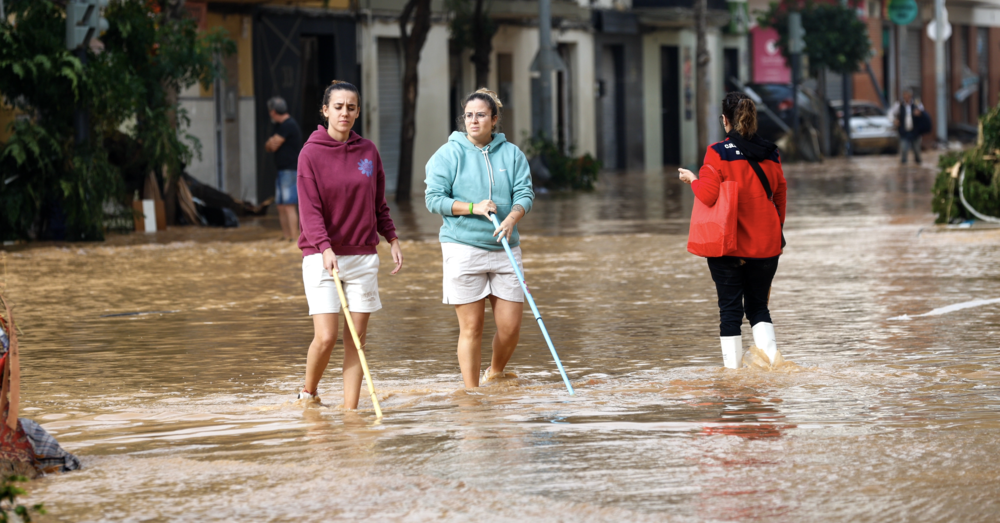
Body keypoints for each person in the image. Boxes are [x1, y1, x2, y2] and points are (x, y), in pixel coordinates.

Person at [295, 81, 404, 407]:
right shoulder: (309, 153)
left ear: (358, 111)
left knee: (357, 341)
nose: (345, 113)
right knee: (326, 337)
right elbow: (309, 211)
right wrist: (326, 248)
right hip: (321, 257)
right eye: (338, 107)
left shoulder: (368, 151)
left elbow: (378, 202)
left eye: (351, 107)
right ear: (325, 110)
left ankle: (351, 413)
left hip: (362, 257)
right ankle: (309, 393)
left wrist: (392, 238)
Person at [424, 88, 534, 388]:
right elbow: (434, 200)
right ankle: (471, 395)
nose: (474, 121)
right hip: (462, 247)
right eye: (469, 115)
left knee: (510, 328)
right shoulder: (448, 154)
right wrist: (473, 208)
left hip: (505, 247)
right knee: (472, 327)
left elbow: (525, 193)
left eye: (481, 115)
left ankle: (495, 372)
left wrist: (512, 218)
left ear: (494, 120)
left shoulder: (512, 154)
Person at [678, 92, 787, 369]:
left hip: (728, 245)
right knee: (759, 308)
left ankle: (734, 379)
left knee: (730, 311)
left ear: (725, 120)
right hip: (766, 246)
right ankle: (773, 368)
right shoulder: (772, 152)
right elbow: (780, 195)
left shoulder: (717, 152)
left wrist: (692, 179)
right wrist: (775, 232)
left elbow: (709, 195)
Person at [265, 96, 304, 241]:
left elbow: (273, 144)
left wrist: (270, 142)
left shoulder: (289, 125)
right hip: (282, 170)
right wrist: (270, 143)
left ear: (273, 112)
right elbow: (269, 146)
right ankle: (286, 236)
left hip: (290, 170)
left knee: (289, 205)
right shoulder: (279, 126)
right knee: (281, 205)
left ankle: (294, 238)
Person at [889, 88, 925, 165]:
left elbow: (924, 114)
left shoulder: (917, 104)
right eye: (905, 95)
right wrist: (894, 121)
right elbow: (890, 113)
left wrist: (919, 113)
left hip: (915, 131)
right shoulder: (899, 104)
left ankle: (918, 163)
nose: (906, 97)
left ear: (911, 96)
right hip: (904, 131)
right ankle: (903, 165)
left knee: (917, 150)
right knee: (904, 149)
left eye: (908, 95)